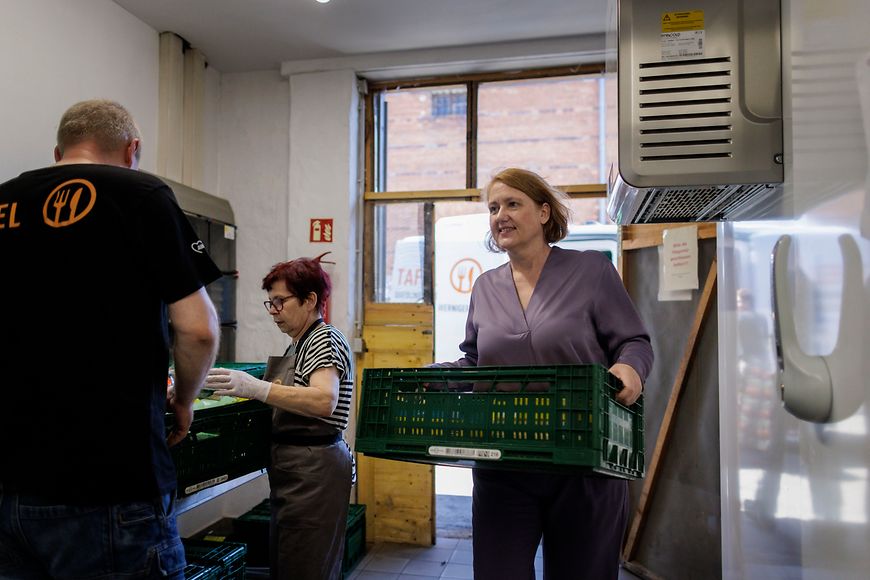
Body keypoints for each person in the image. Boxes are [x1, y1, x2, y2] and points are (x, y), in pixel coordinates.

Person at [0, 99, 221, 578]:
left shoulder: (4, 202)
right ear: (132, 149)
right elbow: (198, 330)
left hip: (11, 490)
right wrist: (184, 400)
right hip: (110, 487)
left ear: (58, 151)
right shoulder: (140, 194)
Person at [434, 168, 653, 580]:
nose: (501, 214)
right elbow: (475, 364)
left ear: (544, 213)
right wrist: (434, 376)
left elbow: (634, 342)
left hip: (584, 460)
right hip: (505, 461)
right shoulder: (485, 287)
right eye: (494, 207)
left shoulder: (591, 273)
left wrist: (630, 368)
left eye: (513, 203)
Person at [204, 255, 354, 580]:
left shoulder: (322, 340)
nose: (273, 312)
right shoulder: (298, 345)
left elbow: (323, 400)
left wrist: (256, 387)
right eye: (269, 303)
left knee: (307, 566)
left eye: (280, 302)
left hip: (314, 471)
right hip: (298, 471)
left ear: (309, 299)